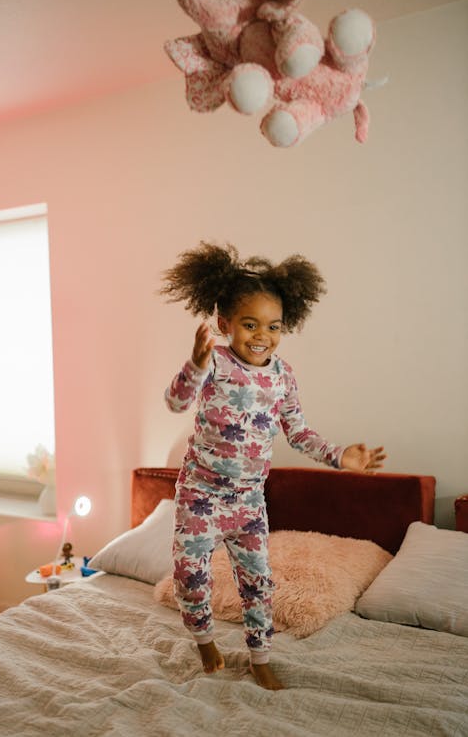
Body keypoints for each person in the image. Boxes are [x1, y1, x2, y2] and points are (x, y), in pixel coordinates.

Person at [160, 242, 386, 690]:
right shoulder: (216, 363)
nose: (262, 335)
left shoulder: (282, 374)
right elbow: (175, 401)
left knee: (258, 582)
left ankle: (260, 655)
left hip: (247, 502)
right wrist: (196, 363)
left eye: (273, 326)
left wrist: (341, 456)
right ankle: (204, 638)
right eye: (249, 324)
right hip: (200, 496)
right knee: (189, 574)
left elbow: (298, 432)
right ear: (224, 325)